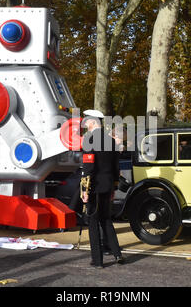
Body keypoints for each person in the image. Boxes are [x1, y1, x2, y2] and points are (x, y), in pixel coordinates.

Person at [80, 110, 123, 268]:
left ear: (92, 122)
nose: (85, 125)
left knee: (93, 222)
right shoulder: (111, 141)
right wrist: (114, 186)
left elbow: (88, 167)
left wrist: (85, 190)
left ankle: (97, 260)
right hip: (108, 185)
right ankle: (117, 254)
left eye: (86, 122)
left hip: (95, 186)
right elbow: (116, 167)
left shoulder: (89, 139)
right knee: (106, 220)